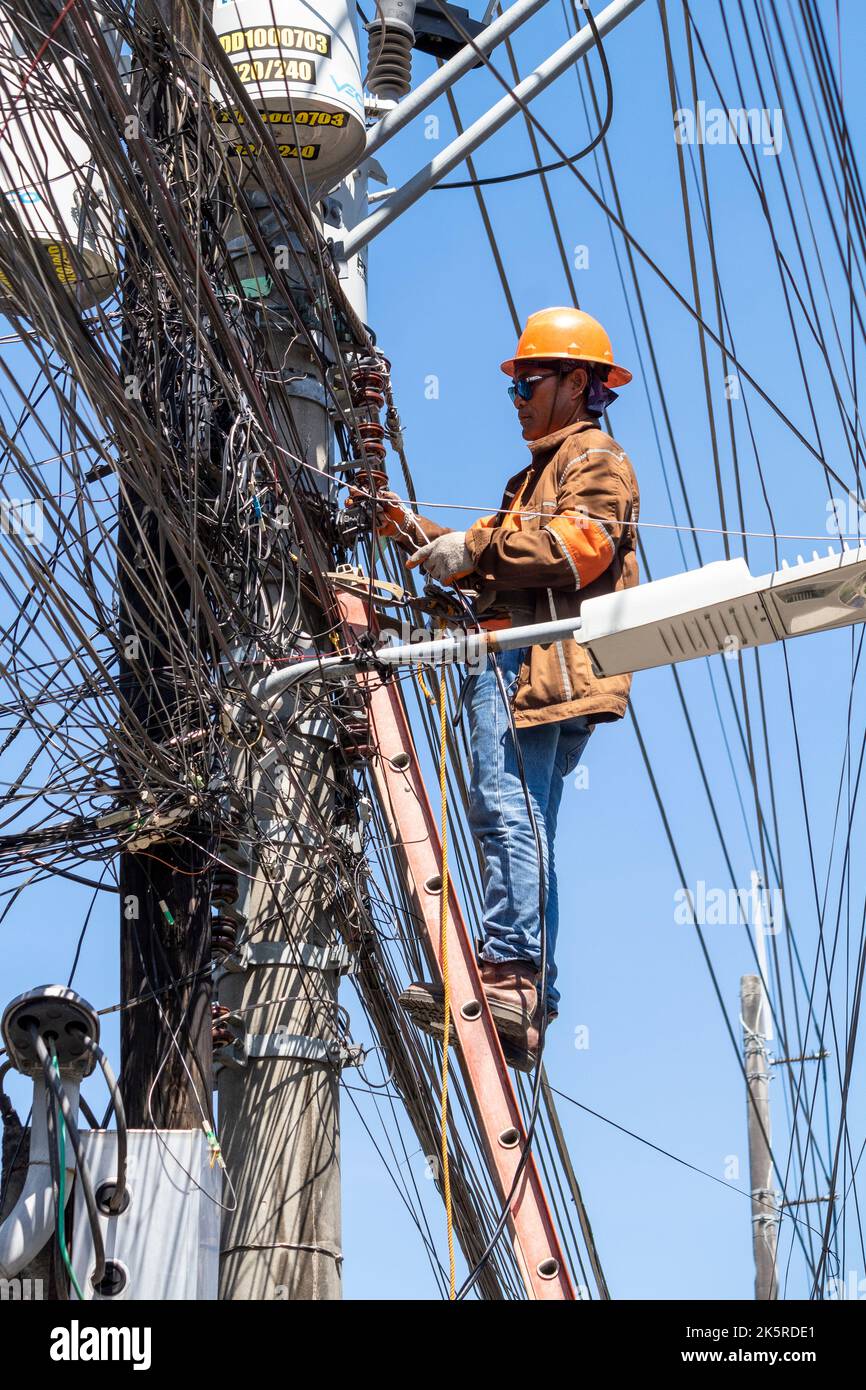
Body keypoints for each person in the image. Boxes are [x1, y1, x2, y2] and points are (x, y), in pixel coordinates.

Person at [362, 307, 640, 1070]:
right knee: (517, 811)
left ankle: (512, 972)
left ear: (578, 382)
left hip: (537, 667)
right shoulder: (534, 477)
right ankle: (525, 993)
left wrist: (472, 547)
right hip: (519, 659)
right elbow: (496, 554)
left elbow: (575, 549)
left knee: (504, 806)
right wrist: (415, 533)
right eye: (514, 385)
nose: (516, 397)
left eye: (529, 381)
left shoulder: (595, 459)